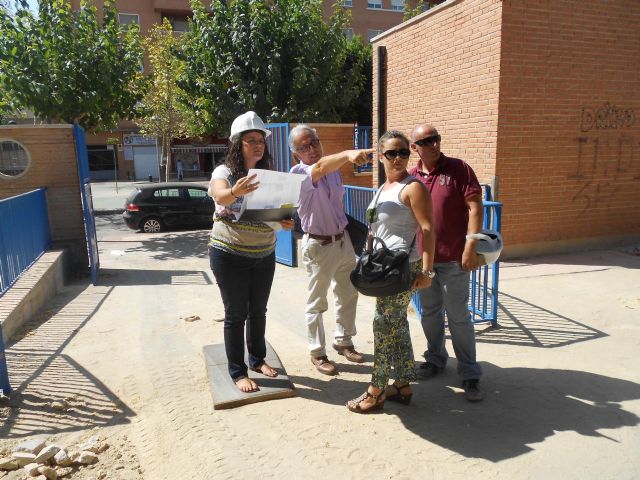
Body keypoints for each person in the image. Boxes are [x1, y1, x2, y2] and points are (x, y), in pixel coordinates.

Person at [346, 130, 435, 413]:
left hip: (404, 267)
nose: (398, 158)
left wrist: (427, 272)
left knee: (383, 324)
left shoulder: (413, 187)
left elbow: (428, 229)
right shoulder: (384, 188)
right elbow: (376, 228)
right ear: (381, 156)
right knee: (396, 323)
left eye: (403, 152)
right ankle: (403, 385)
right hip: (383, 266)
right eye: (391, 153)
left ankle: (376, 390)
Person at [208, 111, 294, 393]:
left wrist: (283, 220)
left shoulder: (268, 177)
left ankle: (257, 360)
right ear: (237, 144)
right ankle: (237, 372)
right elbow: (220, 195)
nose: (258, 145)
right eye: (251, 140)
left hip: (263, 254)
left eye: (261, 140)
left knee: (258, 310)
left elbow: (271, 213)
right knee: (236, 314)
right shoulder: (224, 173)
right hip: (229, 255)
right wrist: (235, 191)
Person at [289, 125, 374, 375]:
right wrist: (347, 154)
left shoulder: (334, 171)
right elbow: (318, 169)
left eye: (314, 142)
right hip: (319, 245)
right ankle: (317, 352)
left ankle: (344, 340)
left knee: (348, 294)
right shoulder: (299, 172)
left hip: (342, 240)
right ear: (296, 154)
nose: (312, 149)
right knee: (317, 301)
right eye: (304, 147)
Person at [409, 123, 485, 402]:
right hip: (424, 260)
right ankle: (435, 359)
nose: (434, 144)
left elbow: (475, 207)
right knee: (430, 313)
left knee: (458, 316)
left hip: (454, 258)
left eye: (436, 139)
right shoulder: (411, 176)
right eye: (426, 141)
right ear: (414, 148)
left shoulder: (459, 168)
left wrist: (471, 246)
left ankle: (470, 372)